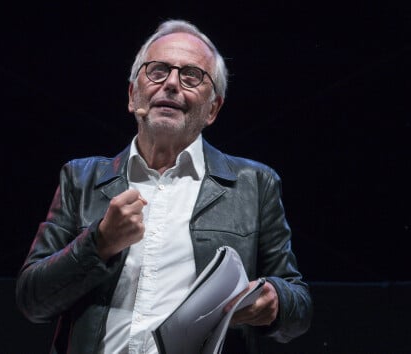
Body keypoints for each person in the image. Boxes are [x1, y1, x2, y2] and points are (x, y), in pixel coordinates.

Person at [16, 19, 312, 354]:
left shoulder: (255, 185)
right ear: (132, 95)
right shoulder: (81, 178)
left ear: (213, 108)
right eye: (157, 71)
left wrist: (275, 299)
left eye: (191, 76)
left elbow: (298, 304)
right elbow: (31, 300)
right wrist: (98, 244)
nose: (171, 83)